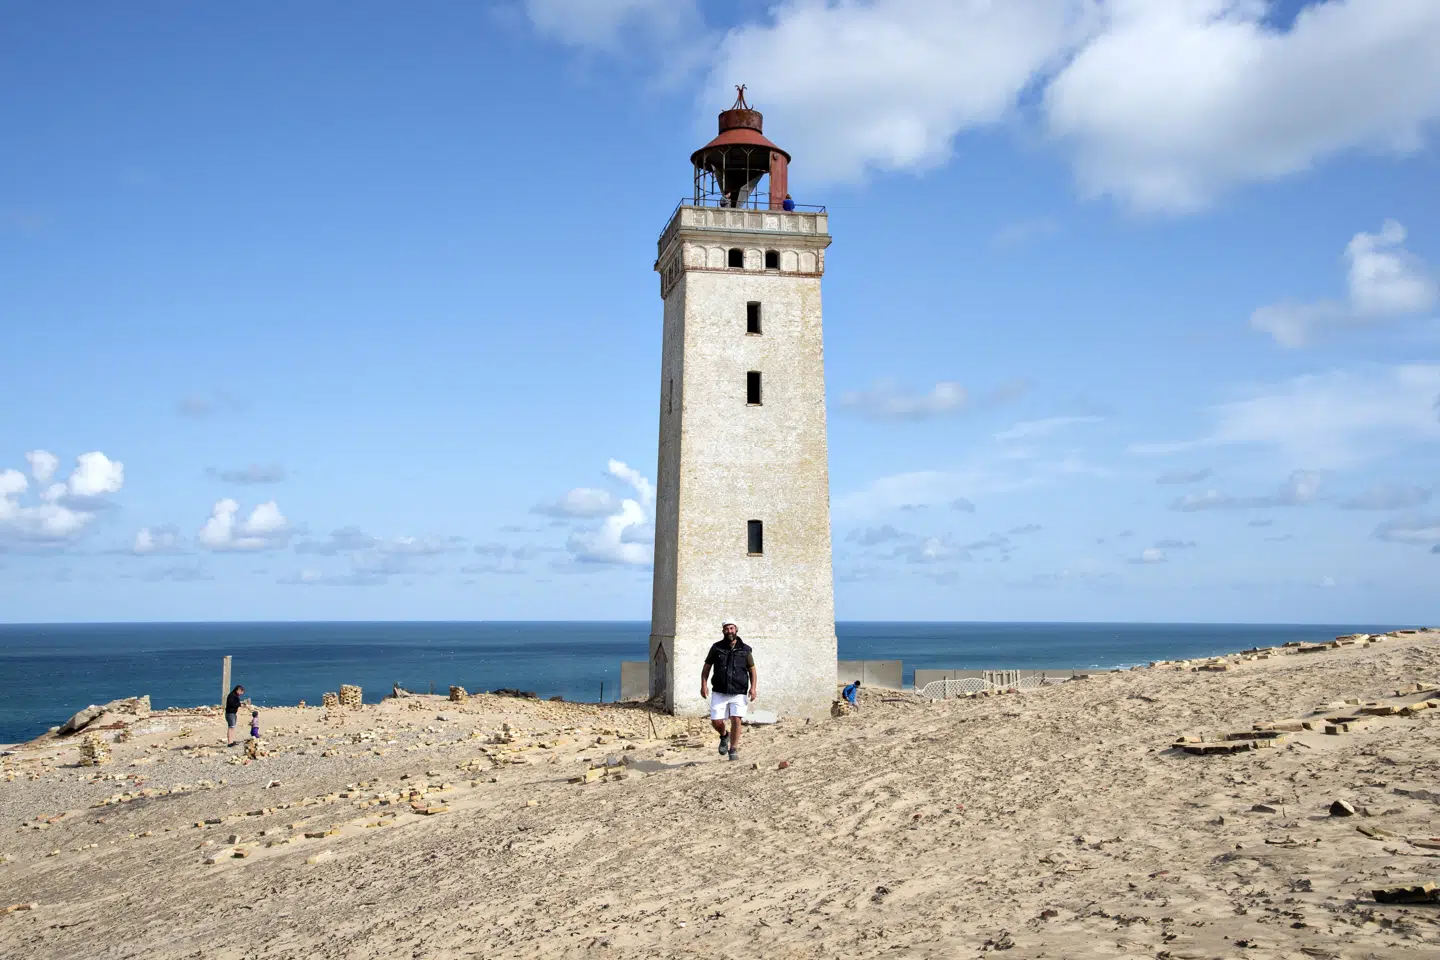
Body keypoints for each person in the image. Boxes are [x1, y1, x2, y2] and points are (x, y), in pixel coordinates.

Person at [700, 618, 757, 761]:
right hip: (719, 690)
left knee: (736, 719)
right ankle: (724, 735)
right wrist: (703, 684)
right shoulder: (716, 648)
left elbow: (752, 670)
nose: (729, 631)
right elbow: (706, 668)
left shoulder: (745, 650)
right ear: (723, 631)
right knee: (716, 721)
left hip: (739, 690)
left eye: (731, 628)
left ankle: (733, 749)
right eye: (726, 628)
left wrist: (753, 688)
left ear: (736, 629)